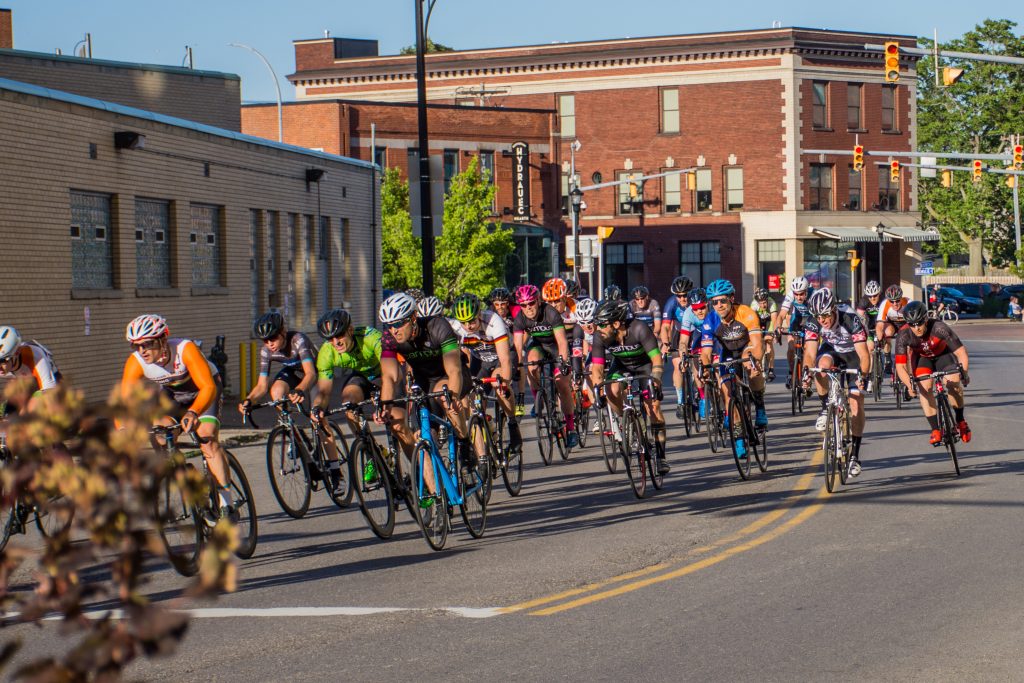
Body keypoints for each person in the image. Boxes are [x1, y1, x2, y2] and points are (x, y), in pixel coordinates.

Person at [120, 314, 236, 522]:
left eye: (147, 344)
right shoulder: (136, 362)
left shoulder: (185, 349)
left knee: (206, 437)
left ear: (163, 340)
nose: (142, 351)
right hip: (174, 395)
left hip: (204, 390)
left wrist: (193, 412)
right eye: (135, 346)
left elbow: (207, 387)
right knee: (160, 436)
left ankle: (226, 501)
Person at [377, 293, 478, 507]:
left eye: (398, 323)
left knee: (445, 396)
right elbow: (390, 376)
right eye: (389, 325)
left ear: (413, 318)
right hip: (424, 381)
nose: (394, 330)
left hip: (451, 375)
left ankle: (465, 444)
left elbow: (454, 369)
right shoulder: (389, 338)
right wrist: (385, 405)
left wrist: (452, 395)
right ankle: (437, 496)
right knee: (422, 436)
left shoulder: (437, 326)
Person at [589, 299, 669, 474]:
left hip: (645, 366)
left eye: (602, 325)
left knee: (653, 408)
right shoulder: (600, 337)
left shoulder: (639, 329)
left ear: (616, 323)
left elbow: (656, 360)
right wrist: (597, 391)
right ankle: (627, 419)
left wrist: (655, 380)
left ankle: (661, 457)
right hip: (622, 366)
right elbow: (597, 368)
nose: (598, 329)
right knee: (612, 390)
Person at [803, 288, 871, 476]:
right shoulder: (813, 322)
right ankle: (825, 407)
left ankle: (855, 456)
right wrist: (807, 372)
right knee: (820, 365)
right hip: (832, 350)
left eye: (825, 315)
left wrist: (863, 376)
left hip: (853, 354)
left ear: (833, 309)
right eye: (818, 316)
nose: (822, 320)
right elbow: (809, 353)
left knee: (856, 403)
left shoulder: (850, 318)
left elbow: (864, 355)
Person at [312, 308, 381, 490]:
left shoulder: (370, 337)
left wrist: (383, 396)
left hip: (384, 374)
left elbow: (392, 372)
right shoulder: (327, 352)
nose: (336, 342)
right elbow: (324, 391)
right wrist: (318, 407)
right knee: (348, 404)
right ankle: (371, 454)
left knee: (394, 419)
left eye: (340, 335)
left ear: (350, 330)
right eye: (330, 338)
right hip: (361, 377)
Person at [699, 279, 767, 459]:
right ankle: (738, 438)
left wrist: (756, 360)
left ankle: (759, 406)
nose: (719, 305)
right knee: (727, 393)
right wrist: (705, 368)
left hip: (747, 348)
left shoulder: (746, 313)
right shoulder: (710, 320)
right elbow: (705, 352)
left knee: (751, 366)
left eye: (722, 300)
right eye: (714, 302)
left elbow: (758, 344)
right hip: (727, 353)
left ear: (731, 299)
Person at [451, 292, 522, 452]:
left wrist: (504, 383)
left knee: (499, 385)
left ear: (478, 314)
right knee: (471, 401)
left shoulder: (493, 321)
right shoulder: (455, 328)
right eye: (464, 322)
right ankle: (485, 426)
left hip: (502, 356)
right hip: (480, 359)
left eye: (471, 321)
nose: (468, 326)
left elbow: (504, 359)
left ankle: (512, 423)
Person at [893, 301, 971, 445]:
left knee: (953, 382)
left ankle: (960, 421)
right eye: (912, 324)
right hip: (923, 359)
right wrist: (910, 386)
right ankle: (935, 429)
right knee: (925, 387)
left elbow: (961, 353)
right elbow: (900, 366)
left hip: (943, 355)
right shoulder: (903, 335)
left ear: (926, 320)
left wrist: (964, 374)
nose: (916, 328)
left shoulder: (939, 328)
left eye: (919, 323)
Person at [512, 284, 578, 447]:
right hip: (539, 345)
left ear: (538, 301)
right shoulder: (520, 318)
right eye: (523, 305)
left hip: (555, 345)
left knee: (562, 383)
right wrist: (516, 366)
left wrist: (563, 362)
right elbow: (518, 347)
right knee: (531, 365)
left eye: (531, 303)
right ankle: (538, 399)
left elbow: (562, 341)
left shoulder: (550, 312)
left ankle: (570, 428)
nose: (528, 308)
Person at [239, 311, 317, 415]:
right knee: (276, 392)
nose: (270, 344)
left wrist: (299, 389)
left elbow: (310, 373)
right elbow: (262, 386)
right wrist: (249, 400)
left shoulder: (298, 340)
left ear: (283, 332)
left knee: (317, 415)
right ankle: (288, 426)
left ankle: (325, 428)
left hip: (315, 371)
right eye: (265, 340)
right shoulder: (266, 352)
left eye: (273, 338)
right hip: (294, 370)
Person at [0, 326, 62, 413]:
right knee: (8, 415)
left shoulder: (35, 355)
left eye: (2, 361)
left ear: (16, 353)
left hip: (47, 384)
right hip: (23, 381)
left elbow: (49, 393)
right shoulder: (7, 364)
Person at [488, 286, 525, 416]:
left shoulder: (515, 310)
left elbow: (523, 331)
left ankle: (520, 396)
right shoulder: (490, 312)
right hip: (499, 345)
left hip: (516, 339)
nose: (500, 307)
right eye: (496, 304)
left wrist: (518, 348)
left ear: (508, 302)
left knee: (520, 363)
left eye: (503, 304)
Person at [660, 276, 694, 416]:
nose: (682, 299)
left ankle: (701, 394)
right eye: (679, 296)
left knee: (698, 365)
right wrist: (665, 343)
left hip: (695, 332)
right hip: (679, 333)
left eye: (685, 295)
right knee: (678, 366)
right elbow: (665, 327)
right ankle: (680, 400)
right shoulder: (671, 303)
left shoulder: (695, 299)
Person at [676, 288, 711, 419]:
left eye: (702, 307)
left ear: (707, 304)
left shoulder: (714, 311)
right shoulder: (688, 314)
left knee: (719, 368)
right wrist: (683, 357)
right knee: (697, 371)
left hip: (714, 334)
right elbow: (683, 341)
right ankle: (703, 398)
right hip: (699, 335)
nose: (699, 311)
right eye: (695, 308)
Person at [777, 276, 810, 390]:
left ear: (806, 291)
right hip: (797, 320)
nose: (799, 297)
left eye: (801, 294)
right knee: (791, 347)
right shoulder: (790, 295)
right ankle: (792, 372)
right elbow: (781, 314)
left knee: (808, 350)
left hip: (810, 321)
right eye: (796, 294)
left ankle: (807, 375)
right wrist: (778, 327)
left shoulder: (813, 295)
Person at [875, 284, 909, 379]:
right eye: (892, 301)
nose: (895, 304)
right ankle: (888, 359)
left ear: (901, 298)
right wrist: (880, 339)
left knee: (907, 339)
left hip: (905, 324)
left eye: (897, 300)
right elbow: (880, 325)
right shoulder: (885, 304)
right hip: (891, 324)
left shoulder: (908, 303)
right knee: (888, 332)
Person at [750, 288, 779, 381]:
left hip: (768, 322)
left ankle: (771, 369)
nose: (763, 305)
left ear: (767, 300)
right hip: (758, 321)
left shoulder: (772, 304)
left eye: (764, 302)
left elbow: (774, 320)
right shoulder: (754, 305)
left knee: (768, 341)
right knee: (756, 342)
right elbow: (752, 321)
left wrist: (771, 333)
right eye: (760, 303)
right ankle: (757, 365)